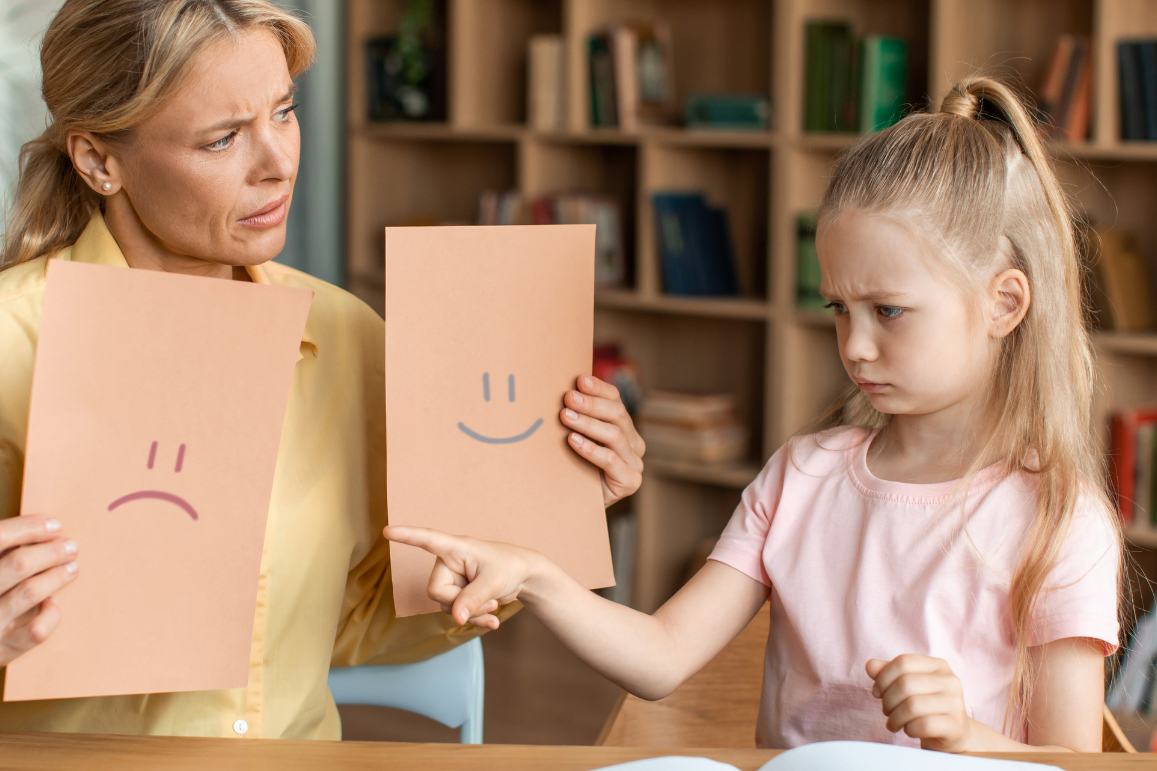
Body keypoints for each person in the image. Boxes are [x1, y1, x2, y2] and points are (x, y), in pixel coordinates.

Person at [0, 0, 644, 738]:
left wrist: (541, 520)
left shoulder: (347, 337)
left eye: (284, 113)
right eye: (222, 138)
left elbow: (348, 624)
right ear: (98, 161)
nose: (278, 162)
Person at [388, 76, 1123, 753]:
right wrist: (538, 575)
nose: (856, 346)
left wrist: (966, 736)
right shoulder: (802, 477)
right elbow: (661, 656)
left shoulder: (1058, 518)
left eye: (889, 311)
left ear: (1004, 303)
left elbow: (1076, 765)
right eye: (839, 309)